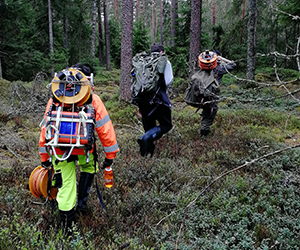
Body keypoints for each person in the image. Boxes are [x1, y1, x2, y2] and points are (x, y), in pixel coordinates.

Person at [38, 64, 119, 231]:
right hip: (85, 149)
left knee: (66, 186)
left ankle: (68, 228)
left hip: (60, 151)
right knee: (90, 166)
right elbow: (106, 131)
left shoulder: (55, 100)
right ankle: (82, 202)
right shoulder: (93, 99)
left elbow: (44, 132)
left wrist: (45, 159)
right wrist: (110, 156)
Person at [136, 43, 174, 157]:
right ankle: (145, 138)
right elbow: (169, 80)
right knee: (166, 125)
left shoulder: (143, 62)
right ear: (162, 52)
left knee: (149, 127)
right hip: (159, 101)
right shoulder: (165, 62)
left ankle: (146, 157)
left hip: (142, 101)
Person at [198, 50, 236, 137]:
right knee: (211, 112)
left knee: (207, 111)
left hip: (202, 93)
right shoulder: (219, 68)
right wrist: (222, 59)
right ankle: (204, 134)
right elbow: (233, 64)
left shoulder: (203, 67)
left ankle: (204, 129)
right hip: (212, 95)